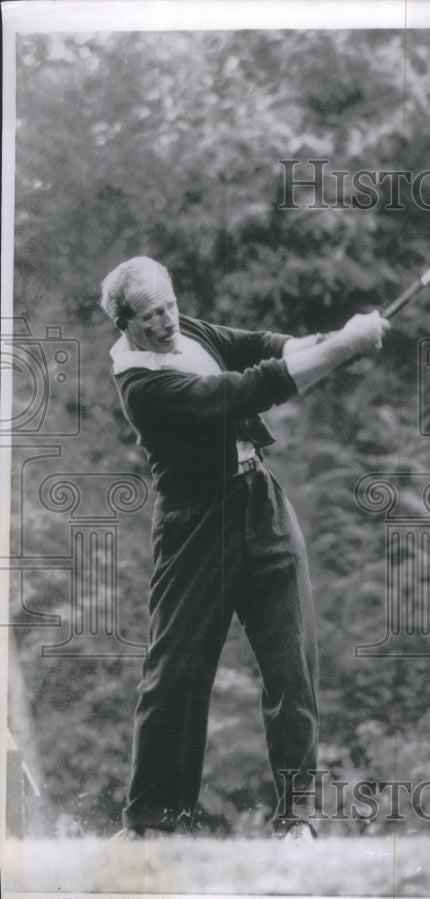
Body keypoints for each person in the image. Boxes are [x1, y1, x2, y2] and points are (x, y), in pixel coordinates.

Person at [100, 256, 388, 840]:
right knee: (176, 673)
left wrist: (329, 340)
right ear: (125, 323)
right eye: (151, 316)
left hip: (261, 501)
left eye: (170, 306)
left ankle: (298, 821)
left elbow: (258, 346)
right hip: (195, 524)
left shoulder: (186, 330)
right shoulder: (143, 386)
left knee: (293, 666)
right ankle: (152, 824)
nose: (167, 322)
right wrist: (343, 347)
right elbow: (248, 388)